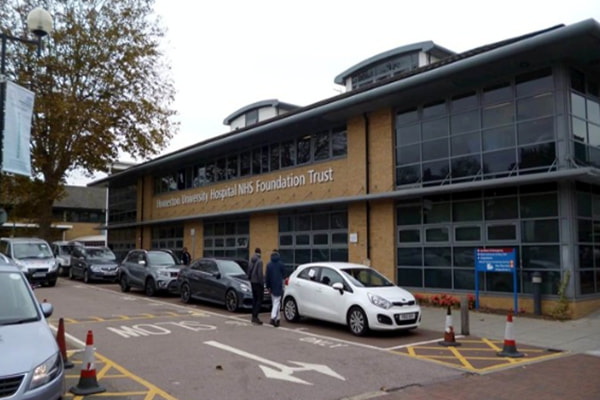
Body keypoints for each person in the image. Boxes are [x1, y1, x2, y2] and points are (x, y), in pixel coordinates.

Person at [265, 249, 285, 327]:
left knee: (275, 302)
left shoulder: (269, 265)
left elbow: (267, 277)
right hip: (279, 285)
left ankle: (275, 318)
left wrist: (268, 286)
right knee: (277, 302)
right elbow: (284, 274)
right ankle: (275, 318)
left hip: (272, 286)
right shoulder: (281, 264)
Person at [247, 248, 264, 325]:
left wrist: (250, 278)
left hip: (252, 282)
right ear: (260, 253)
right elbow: (259, 273)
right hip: (257, 282)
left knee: (254, 299)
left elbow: (249, 270)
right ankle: (255, 316)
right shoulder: (260, 261)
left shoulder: (251, 260)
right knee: (259, 299)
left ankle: (253, 316)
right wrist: (262, 283)